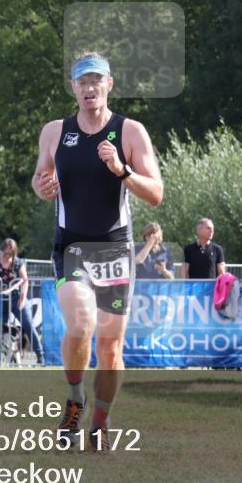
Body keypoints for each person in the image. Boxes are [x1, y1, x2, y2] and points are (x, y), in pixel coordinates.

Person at [32, 51, 163, 452]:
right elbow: (41, 177)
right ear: (73, 87)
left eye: (96, 81)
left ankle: (101, 421)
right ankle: (75, 400)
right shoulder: (55, 131)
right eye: (81, 82)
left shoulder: (130, 131)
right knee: (80, 325)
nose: (89, 88)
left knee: (109, 346)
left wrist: (122, 170)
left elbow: (156, 193)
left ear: (110, 84)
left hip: (114, 248)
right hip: (71, 244)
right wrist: (41, 187)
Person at [0, 238, 43, 365]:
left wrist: (23, 297)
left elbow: (25, 280)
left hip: (16, 298)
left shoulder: (18, 263)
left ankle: (40, 356)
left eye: (10, 254)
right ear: (1, 251)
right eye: (5, 253)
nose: (7, 257)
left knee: (28, 325)